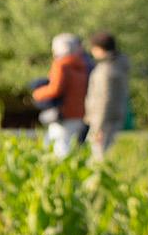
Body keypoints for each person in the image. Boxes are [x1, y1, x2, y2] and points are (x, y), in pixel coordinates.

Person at [33, 33, 90, 158]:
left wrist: (37, 93)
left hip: (64, 113)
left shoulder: (61, 64)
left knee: (60, 148)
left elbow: (55, 89)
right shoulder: (82, 65)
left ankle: (61, 176)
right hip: (79, 112)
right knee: (64, 144)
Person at [84, 32, 130, 162]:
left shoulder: (106, 70)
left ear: (99, 48)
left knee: (98, 158)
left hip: (103, 120)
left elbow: (104, 99)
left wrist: (98, 127)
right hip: (113, 116)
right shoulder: (118, 65)